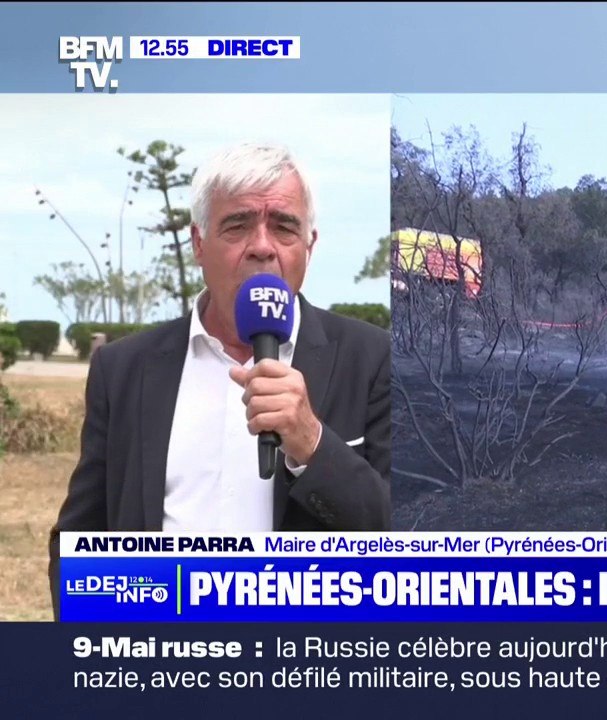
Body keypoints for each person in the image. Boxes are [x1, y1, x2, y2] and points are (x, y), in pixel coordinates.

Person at [48, 143, 392, 615]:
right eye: (238, 224)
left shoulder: (373, 359)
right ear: (197, 244)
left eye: (284, 226)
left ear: (308, 247)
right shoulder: (124, 369)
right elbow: (81, 537)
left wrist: (313, 445)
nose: (263, 246)